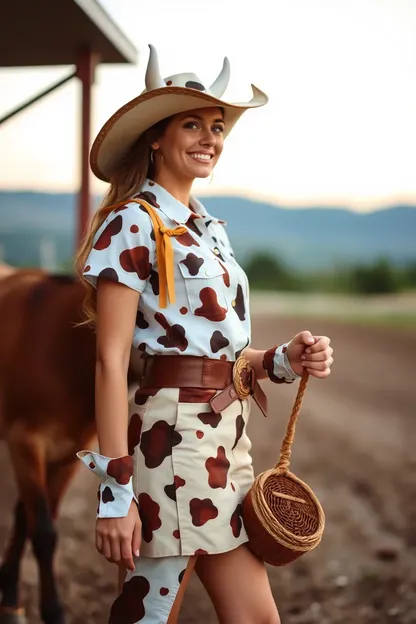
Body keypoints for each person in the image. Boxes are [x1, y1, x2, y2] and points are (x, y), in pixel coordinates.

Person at [76, 44, 334, 624]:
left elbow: (222, 352)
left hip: (226, 444)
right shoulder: (134, 222)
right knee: (148, 615)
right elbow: (110, 362)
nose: (210, 138)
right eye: (191, 123)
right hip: (172, 448)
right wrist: (116, 494)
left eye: (217, 127)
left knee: (257, 619)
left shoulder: (209, 230)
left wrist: (285, 360)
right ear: (155, 138)